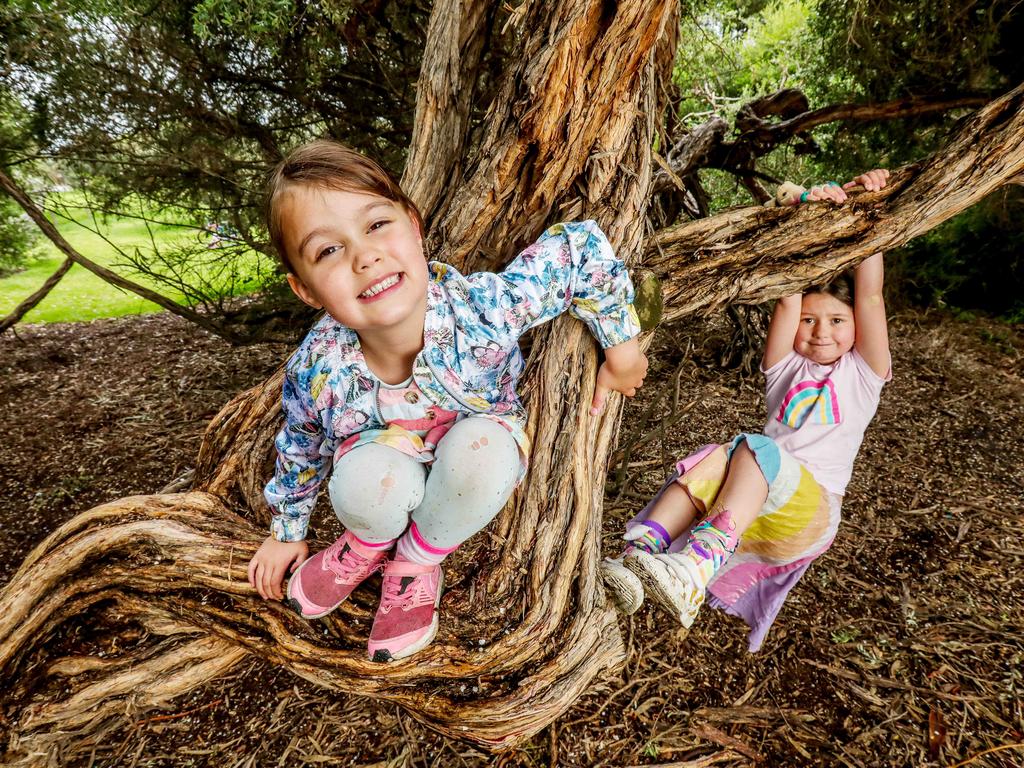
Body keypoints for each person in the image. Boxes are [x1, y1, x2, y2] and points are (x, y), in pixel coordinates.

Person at [247, 140, 648, 662]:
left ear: (413, 225)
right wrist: (286, 530)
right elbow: (300, 443)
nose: (365, 257)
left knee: (485, 455)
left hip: (475, 445)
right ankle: (365, 545)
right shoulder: (318, 367)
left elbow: (578, 250)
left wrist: (622, 345)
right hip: (380, 458)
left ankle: (415, 562)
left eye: (376, 226)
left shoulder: (481, 309)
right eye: (328, 250)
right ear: (305, 290)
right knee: (366, 487)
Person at [602, 169, 891, 652]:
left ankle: (694, 569)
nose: (821, 332)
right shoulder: (783, 368)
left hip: (810, 512)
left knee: (754, 448)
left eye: (837, 321)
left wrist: (871, 205)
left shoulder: (864, 373)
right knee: (714, 459)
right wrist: (802, 216)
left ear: (856, 325)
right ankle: (638, 556)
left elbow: (871, 295)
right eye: (810, 320)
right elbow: (787, 299)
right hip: (764, 497)